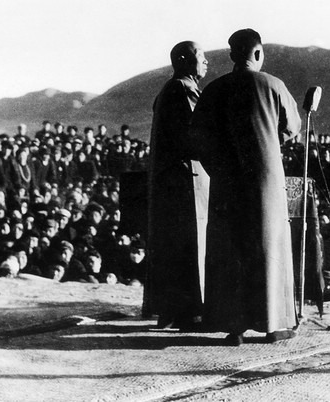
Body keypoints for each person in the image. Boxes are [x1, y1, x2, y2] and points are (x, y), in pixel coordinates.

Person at [191, 29, 301, 344]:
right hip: (266, 181)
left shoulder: (214, 89)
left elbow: (197, 138)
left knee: (230, 249)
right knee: (268, 249)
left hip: (227, 181)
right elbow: (291, 128)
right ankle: (272, 325)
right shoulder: (274, 85)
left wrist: (219, 168)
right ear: (257, 53)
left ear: (232, 55)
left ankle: (234, 327)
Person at [142, 40, 209, 330]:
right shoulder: (184, 89)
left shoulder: (168, 90)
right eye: (200, 56)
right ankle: (189, 314)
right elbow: (197, 135)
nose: (206, 61)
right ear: (184, 60)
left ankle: (170, 311)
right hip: (185, 181)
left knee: (172, 247)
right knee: (189, 246)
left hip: (171, 182)